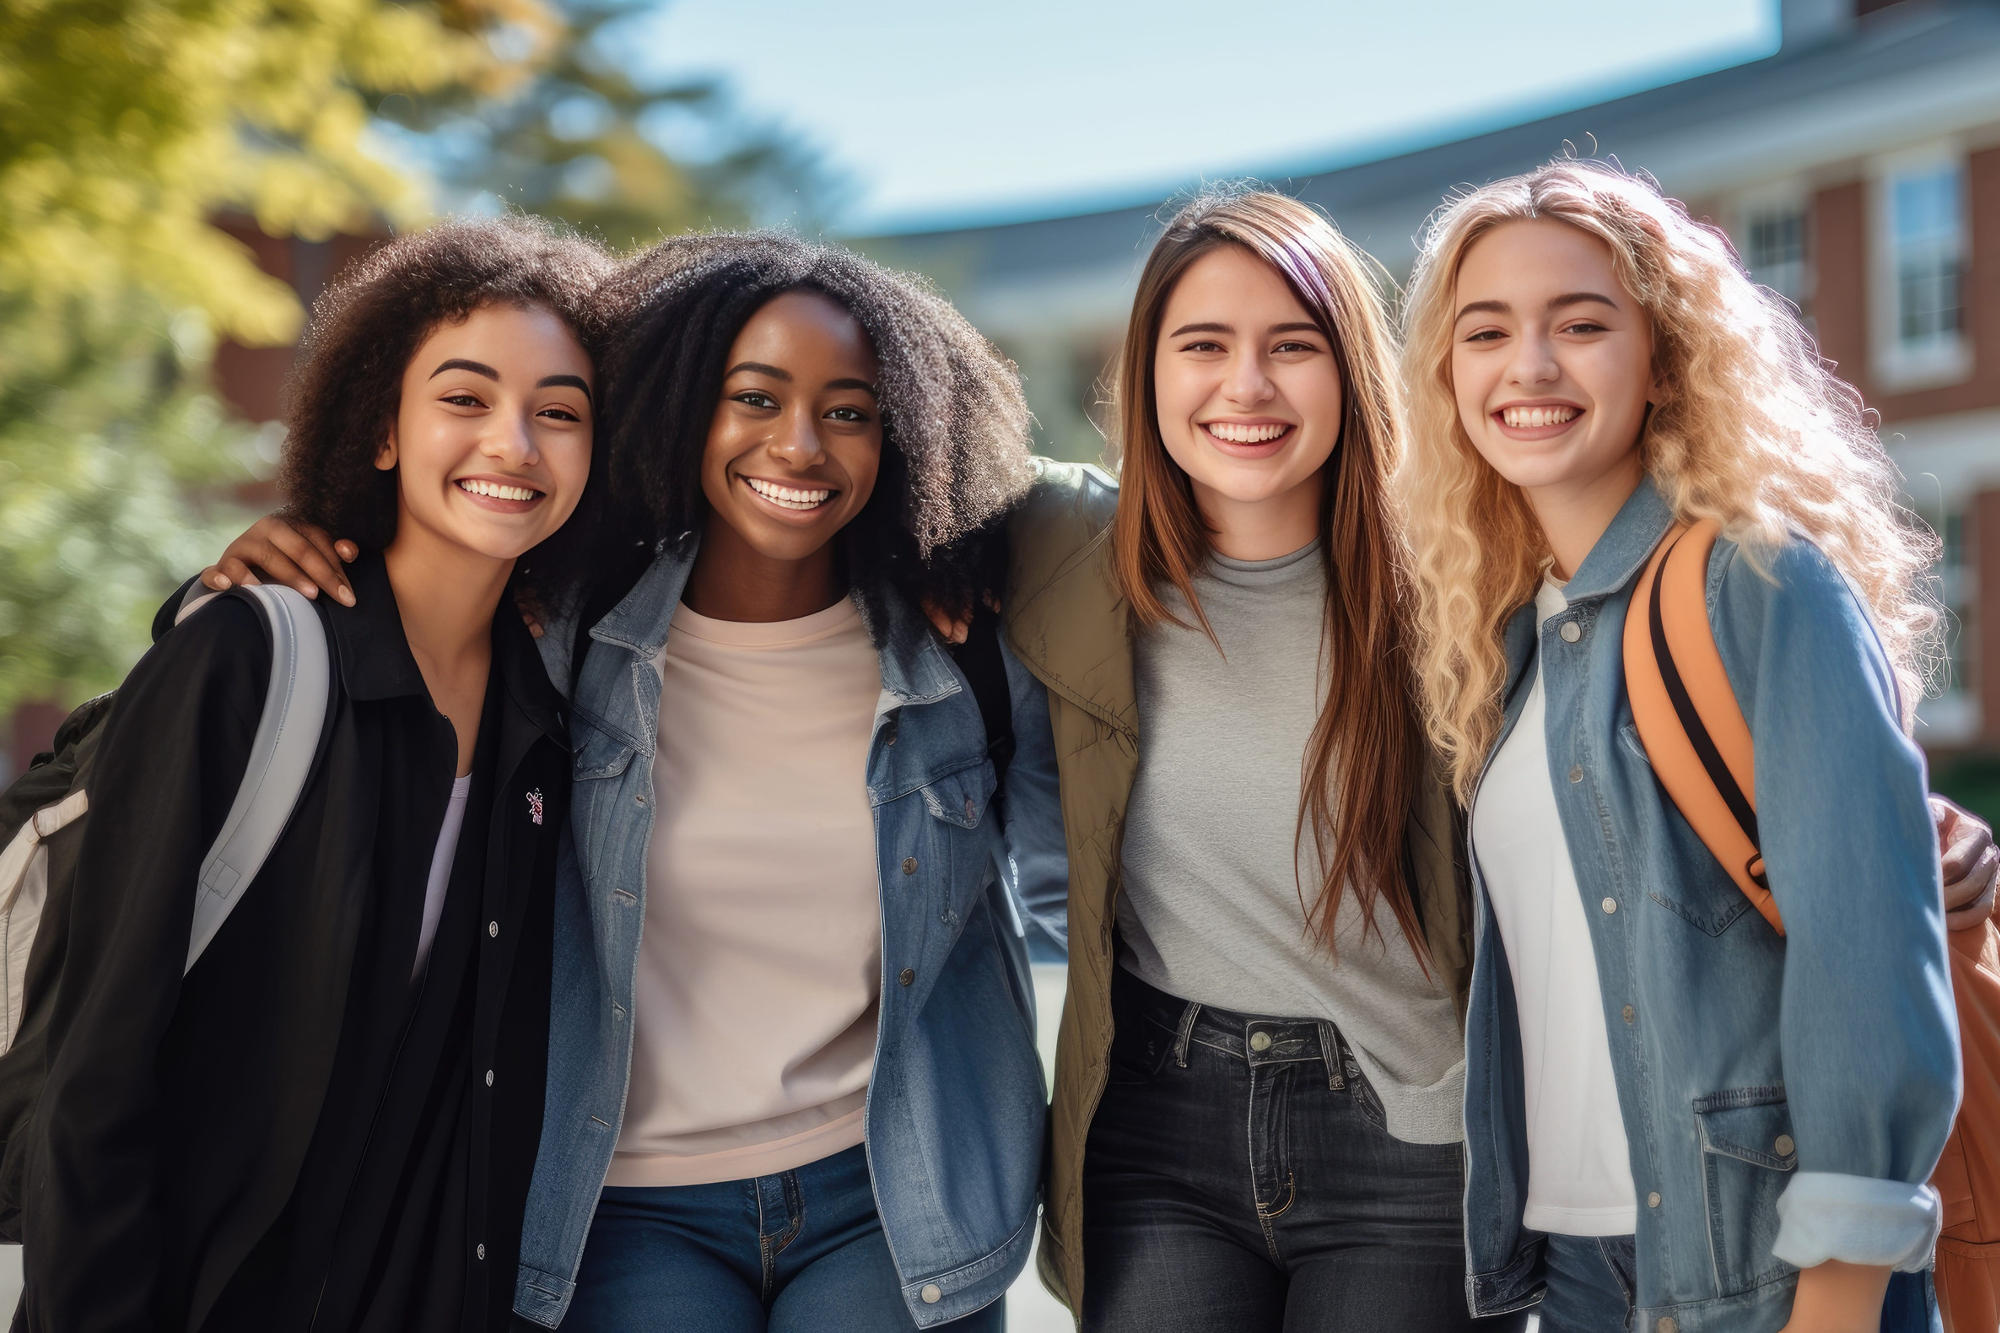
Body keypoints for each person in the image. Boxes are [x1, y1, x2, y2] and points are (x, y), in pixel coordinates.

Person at [197, 232, 1066, 1331]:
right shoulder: (566, 636)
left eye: (848, 410)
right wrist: (295, 549)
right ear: (676, 406)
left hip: (892, 1198)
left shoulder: (961, 655)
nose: (798, 444)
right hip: (625, 1206)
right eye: (751, 397)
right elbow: (423, 574)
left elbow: (1071, 890)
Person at [1397, 159, 1961, 1333]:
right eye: (1485, 331)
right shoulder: (1505, 646)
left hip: (1767, 1278)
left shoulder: (1758, 581)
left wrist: (1839, 1298)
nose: (1530, 366)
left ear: (1662, 360)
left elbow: (1865, 963)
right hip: (1576, 1273)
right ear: (1447, 377)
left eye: (1581, 323)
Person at [23, 217, 608, 1331]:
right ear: (382, 429)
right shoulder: (247, 657)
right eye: (466, 399)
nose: (515, 445)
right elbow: (94, 1075)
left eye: (560, 413)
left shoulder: (554, 716)